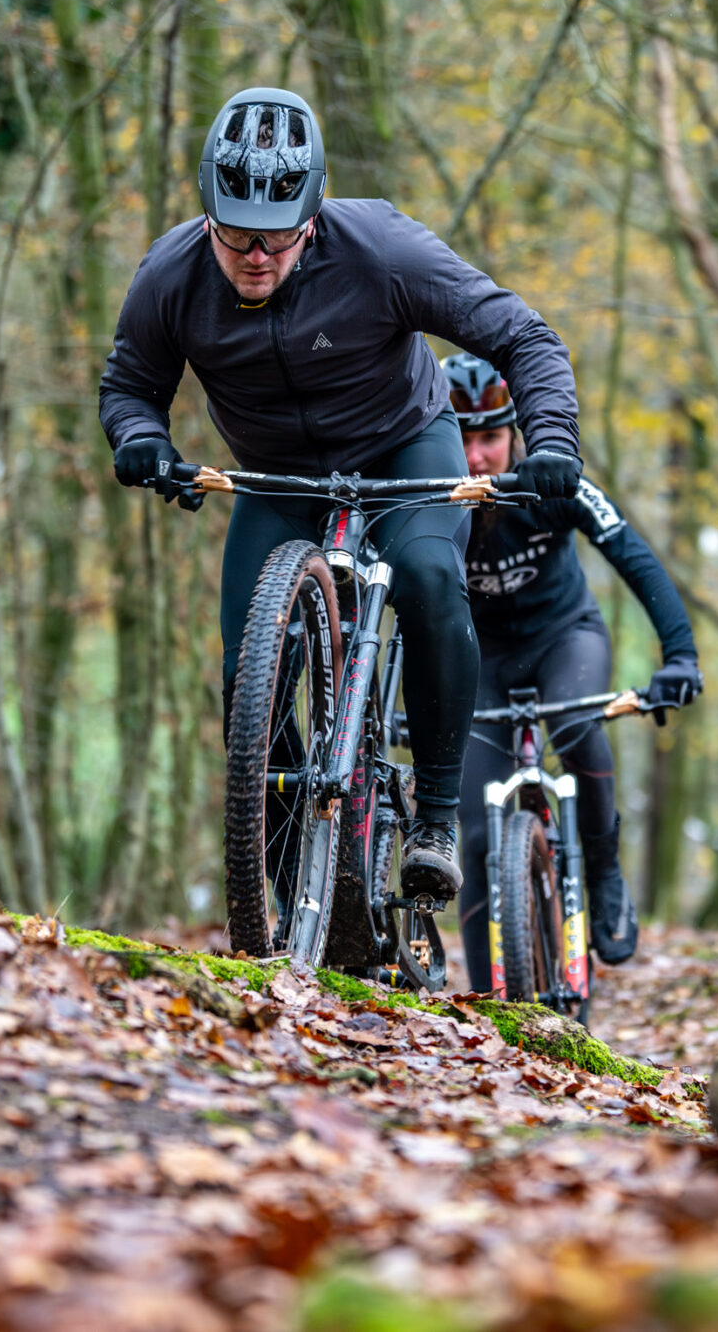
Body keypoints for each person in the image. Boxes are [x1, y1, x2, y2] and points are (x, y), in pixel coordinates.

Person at [97, 87, 585, 900]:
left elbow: (524, 336)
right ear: (208, 217)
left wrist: (555, 442)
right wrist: (142, 442)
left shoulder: (382, 250)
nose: (256, 256)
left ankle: (431, 818)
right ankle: (290, 893)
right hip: (276, 474)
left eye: (279, 238)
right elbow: (130, 384)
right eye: (236, 236)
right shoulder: (172, 275)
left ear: (313, 218)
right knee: (250, 670)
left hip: (402, 448)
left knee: (430, 580)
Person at [447, 351, 703, 987]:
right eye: (461, 439)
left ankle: (605, 871)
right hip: (481, 661)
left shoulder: (550, 481)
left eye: (490, 437)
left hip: (566, 639)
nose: (477, 457)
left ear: (515, 434)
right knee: (477, 830)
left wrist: (681, 656)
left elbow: (635, 558)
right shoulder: (433, 494)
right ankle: (489, 1006)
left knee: (577, 727)